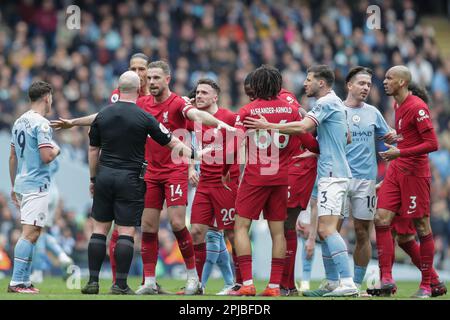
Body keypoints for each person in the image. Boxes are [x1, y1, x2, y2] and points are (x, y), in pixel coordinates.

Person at [245, 65, 358, 297]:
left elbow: (303, 127)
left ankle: (347, 283)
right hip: (334, 172)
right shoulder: (334, 104)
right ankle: (332, 283)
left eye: (308, 80)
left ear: (322, 83)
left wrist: (268, 125)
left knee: (326, 230)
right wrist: (319, 150)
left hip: (331, 175)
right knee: (327, 229)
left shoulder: (324, 103)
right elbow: (345, 137)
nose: (304, 84)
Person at [80, 71, 192, 295]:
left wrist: (94, 178)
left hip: (104, 175)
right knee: (126, 232)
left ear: (118, 88)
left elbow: (93, 149)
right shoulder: (144, 117)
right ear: (138, 89)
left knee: (99, 229)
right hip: (130, 179)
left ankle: (92, 282)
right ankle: (120, 284)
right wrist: (195, 154)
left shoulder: (103, 115)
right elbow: (171, 142)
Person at [136, 61, 235, 295]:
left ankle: (193, 278)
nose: (151, 82)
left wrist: (220, 123)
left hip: (174, 171)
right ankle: (149, 282)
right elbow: (116, 114)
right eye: (148, 78)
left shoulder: (179, 103)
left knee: (179, 224)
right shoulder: (141, 104)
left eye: (156, 78)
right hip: (151, 172)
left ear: (167, 79)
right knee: (148, 226)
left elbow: (196, 116)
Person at [229, 65, 303, 297]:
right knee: (278, 232)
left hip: (255, 177)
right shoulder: (291, 110)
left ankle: (248, 283)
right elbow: (308, 141)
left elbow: (235, 144)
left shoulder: (248, 110)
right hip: (281, 177)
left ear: (256, 86)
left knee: (240, 227)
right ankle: (273, 286)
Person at [244, 72, 319, 296]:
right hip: (286, 166)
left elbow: (304, 125)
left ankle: (286, 285)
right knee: (285, 227)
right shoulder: (283, 102)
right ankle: (285, 285)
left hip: (295, 167)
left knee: (286, 225)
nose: (251, 99)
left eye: (252, 93)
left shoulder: (284, 101)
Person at [375, 65, 439, 298]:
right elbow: (409, 136)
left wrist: (399, 152)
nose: (384, 81)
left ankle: (426, 286)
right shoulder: (397, 104)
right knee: (381, 217)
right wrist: (397, 138)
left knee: (421, 227)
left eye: (389, 78)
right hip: (397, 170)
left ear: (402, 82)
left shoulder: (418, 107)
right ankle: (386, 279)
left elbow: (432, 143)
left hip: (414, 173)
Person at [341, 66, 394, 293]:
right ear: (349, 85)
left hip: (365, 181)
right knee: (330, 230)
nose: (366, 88)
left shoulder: (373, 112)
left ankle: (355, 283)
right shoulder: (335, 110)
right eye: (361, 83)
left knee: (362, 232)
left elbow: (391, 137)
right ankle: (336, 280)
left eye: (368, 85)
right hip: (339, 178)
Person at [186, 78, 240, 295]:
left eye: (204, 93)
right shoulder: (194, 120)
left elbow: (242, 139)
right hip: (204, 182)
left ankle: (242, 283)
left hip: (225, 183)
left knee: (232, 233)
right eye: (197, 93)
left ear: (215, 97)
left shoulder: (229, 117)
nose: (199, 96)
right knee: (197, 231)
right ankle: (197, 284)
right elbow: (189, 142)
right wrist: (191, 167)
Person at [8, 81, 60, 293]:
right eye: (52, 97)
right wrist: (57, 149)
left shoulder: (19, 121)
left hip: (22, 182)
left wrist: (14, 186)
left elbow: (12, 157)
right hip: (36, 184)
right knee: (29, 233)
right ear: (47, 97)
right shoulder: (42, 123)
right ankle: (17, 282)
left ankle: (24, 280)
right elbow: (47, 156)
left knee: (34, 232)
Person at [30, 157, 73, 283]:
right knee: (41, 233)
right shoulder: (53, 146)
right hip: (53, 190)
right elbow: (55, 166)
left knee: (37, 232)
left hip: (43, 191)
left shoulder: (38, 143)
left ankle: (38, 272)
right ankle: (63, 257)